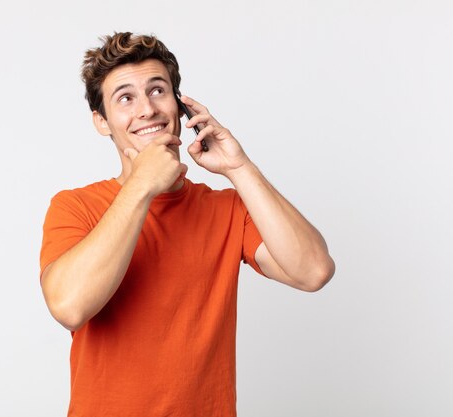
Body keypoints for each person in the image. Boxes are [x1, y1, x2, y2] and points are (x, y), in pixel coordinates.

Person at [39, 31, 335, 416]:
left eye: (158, 90)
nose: (147, 109)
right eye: (125, 98)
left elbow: (313, 271)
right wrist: (143, 185)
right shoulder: (75, 206)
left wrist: (239, 168)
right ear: (102, 121)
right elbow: (69, 307)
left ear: (180, 107)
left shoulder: (226, 209)